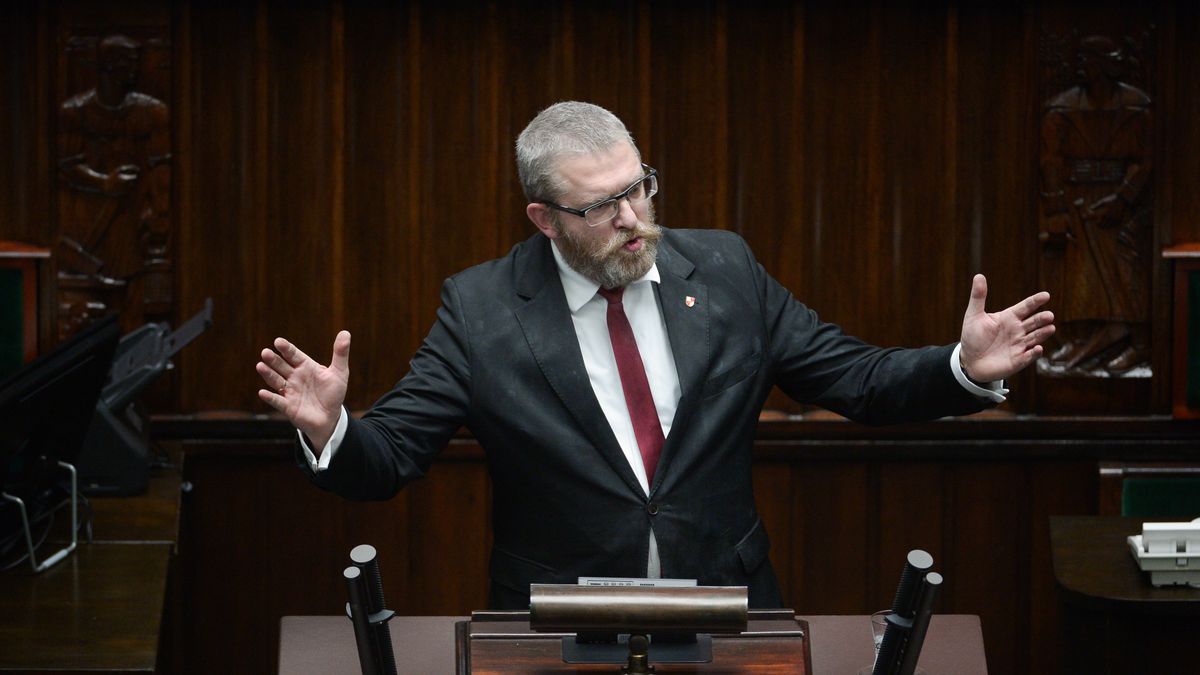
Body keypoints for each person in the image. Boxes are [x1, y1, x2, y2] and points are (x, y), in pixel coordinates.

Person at [256, 101, 1055, 609]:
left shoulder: (728, 270)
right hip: (552, 621)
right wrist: (331, 429)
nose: (635, 217)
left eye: (640, 187)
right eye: (604, 205)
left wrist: (962, 367)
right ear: (545, 218)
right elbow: (391, 454)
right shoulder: (482, 309)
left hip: (729, 607)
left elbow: (858, 378)